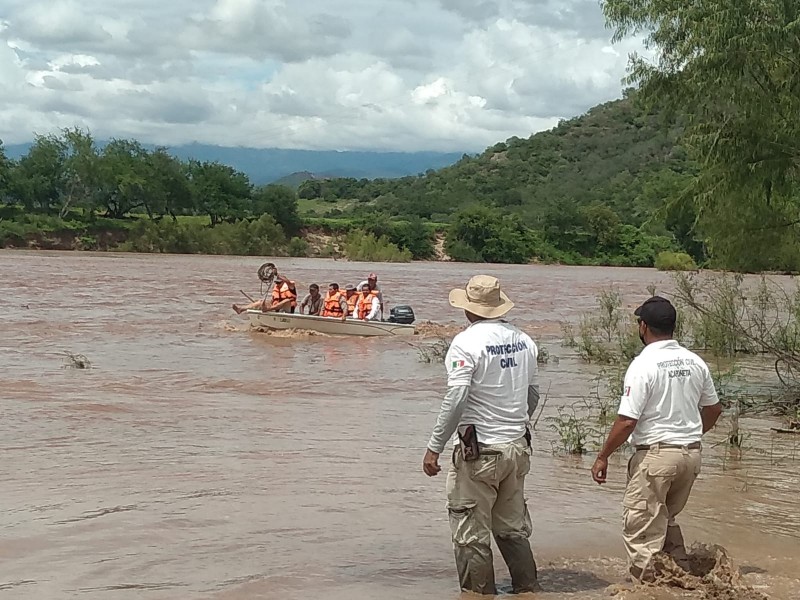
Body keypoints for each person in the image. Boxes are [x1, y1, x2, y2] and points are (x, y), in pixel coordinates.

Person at [422, 275, 541, 595]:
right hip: (517, 449)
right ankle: (529, 590)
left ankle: (477, 594)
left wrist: (434, 446)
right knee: (512, 529)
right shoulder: (524, 340)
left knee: (470, 534)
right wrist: (516, 426)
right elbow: (532, 395)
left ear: (467, 310)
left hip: (481, 452)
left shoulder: (466, 342)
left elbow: (457, 397)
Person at [591, 296, 722, 582]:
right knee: (665, 518)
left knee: (639, 530)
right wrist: (692, 435)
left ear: (644, 327)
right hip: (690, 456)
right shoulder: (694, 361)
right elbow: (713, 409)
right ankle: (683, 578)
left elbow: (627, 421)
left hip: (656, 457)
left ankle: (650, 588)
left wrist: (603, 456)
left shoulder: (643, 364)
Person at [232, 273, 297, 314]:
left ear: (283, 282)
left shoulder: (290, 286)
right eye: (276, 282)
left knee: (286, 300)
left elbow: (287, 281)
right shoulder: (277, 289)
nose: (278, 284)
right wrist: (263, 304)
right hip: (277, 309)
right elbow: (274, 300)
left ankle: (267, 309)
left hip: (288, 309)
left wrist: (276, 274)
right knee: (261, 301)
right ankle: (241, 309)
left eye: (279, 282)